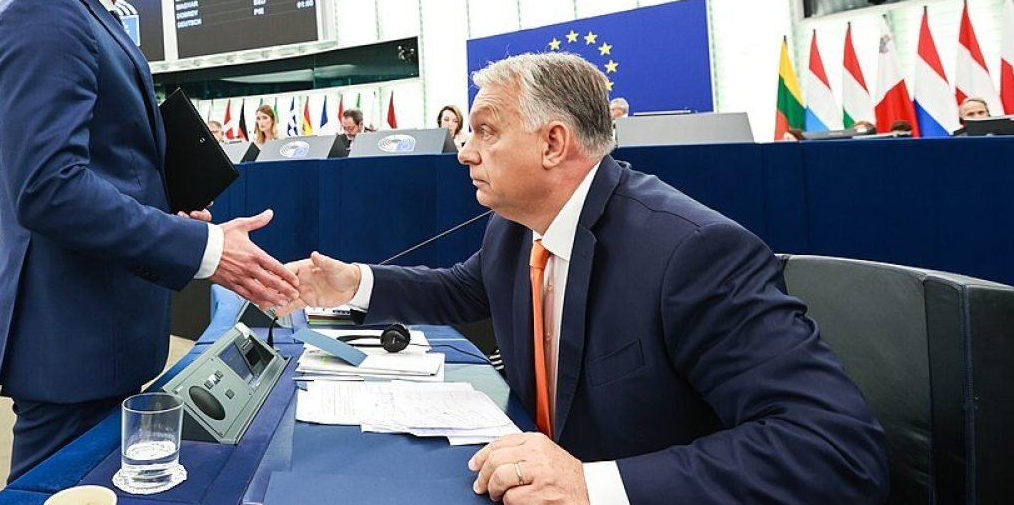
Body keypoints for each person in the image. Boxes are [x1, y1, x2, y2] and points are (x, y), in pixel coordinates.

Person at [281, 52, 886, 503]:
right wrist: (354, 284)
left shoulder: (693, 252)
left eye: (486, 131)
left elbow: (835, 449)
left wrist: (592, 484)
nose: (465, 150)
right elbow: (463, 288)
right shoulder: (517, 229)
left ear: (553, 143)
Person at [0, 0, 300, 483]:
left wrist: (164, 216)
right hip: (72, 344)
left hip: (106, 336)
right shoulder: (45, 13)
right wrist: (206, 250)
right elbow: (50, 187)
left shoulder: (93, 20)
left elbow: (98, 172)